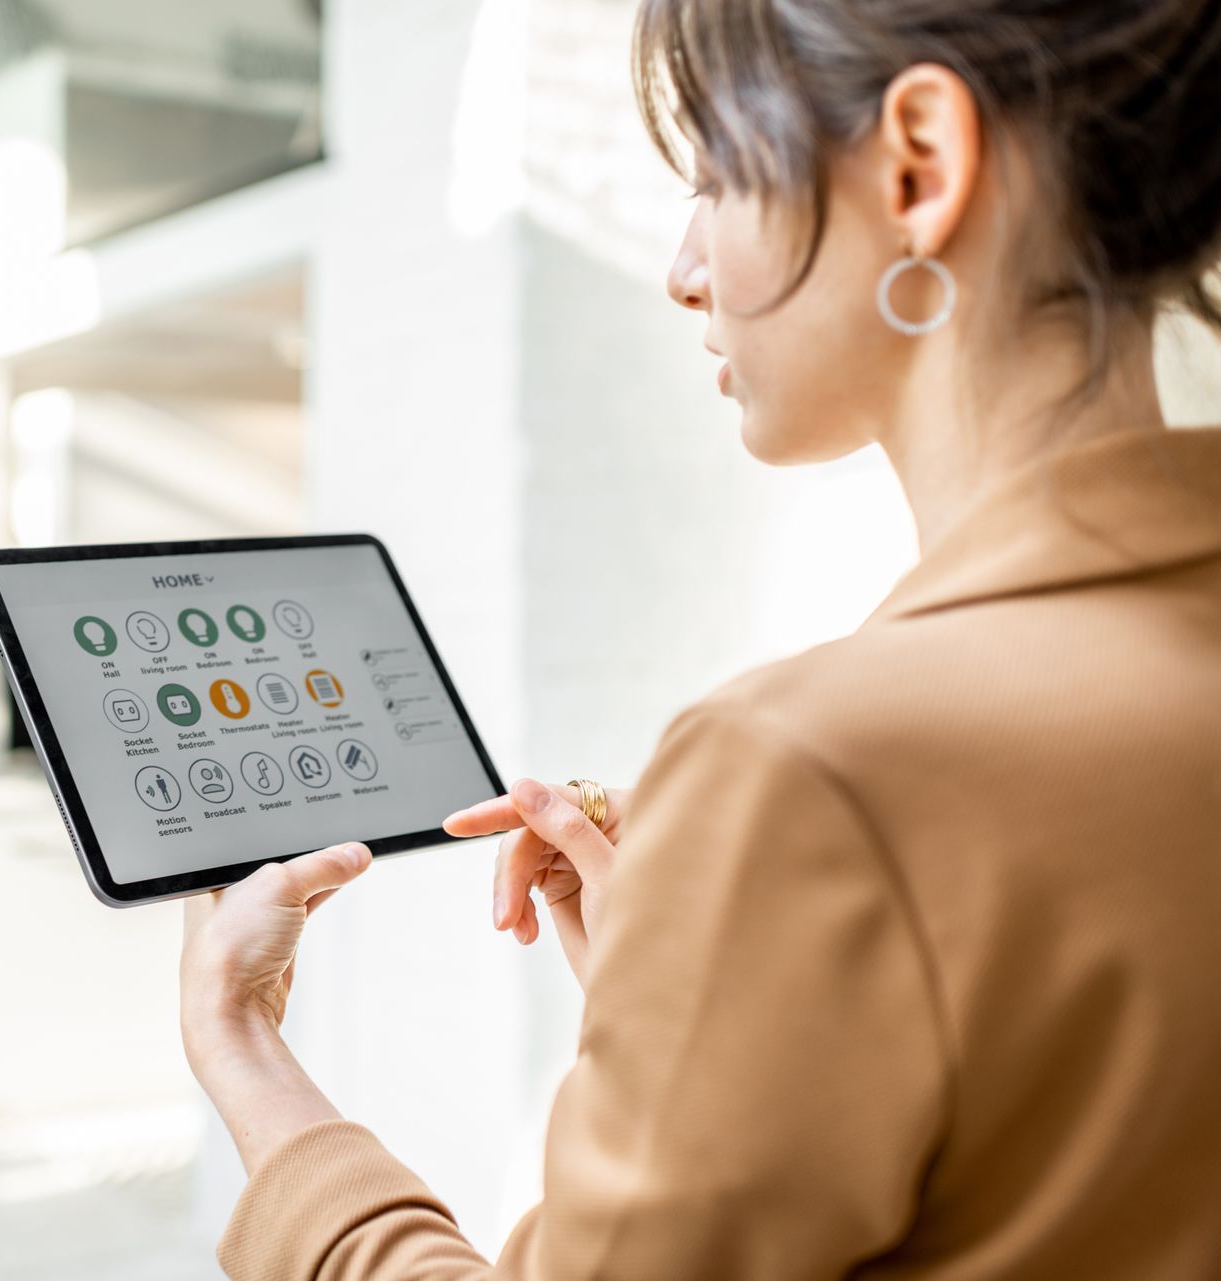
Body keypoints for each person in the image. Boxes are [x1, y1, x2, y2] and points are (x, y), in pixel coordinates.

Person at [179, 0, 1221, 1276]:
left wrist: (246, 1053)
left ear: (920, 168)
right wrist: (721, 1003)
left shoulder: (810, 774)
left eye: (718, 174)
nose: (683, 267)